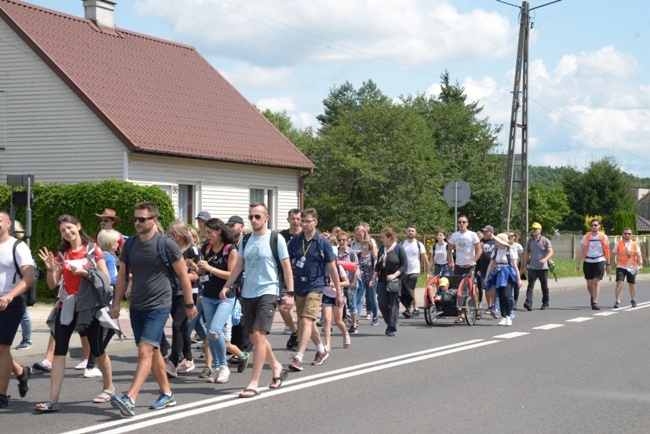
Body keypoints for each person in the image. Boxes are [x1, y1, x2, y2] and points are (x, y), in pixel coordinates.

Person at [110, 202, 197, 417]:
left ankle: (130, 398)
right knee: (154, 350)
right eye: (135, 219)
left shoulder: (166, 245)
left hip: (159, 305)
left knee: (144, 351)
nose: (137, 222)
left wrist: (189, 304)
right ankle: (167, 394)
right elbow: (122, 276)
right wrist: (115, 304)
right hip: (137, 306)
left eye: (142, 219)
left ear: (154, 221)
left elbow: (184, 277)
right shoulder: (130, 245)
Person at [36, 214, 116, 412]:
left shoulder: (92, 250)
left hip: (89, 307)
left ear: (78, 227)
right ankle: (53, 400)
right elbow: (53, 284)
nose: (67, 232)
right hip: (67, 306)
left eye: (70, 228)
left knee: (97, 350)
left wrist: (85, 272)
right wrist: (49, 268)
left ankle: (109, 387)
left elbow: (106, 279)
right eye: (63, 230)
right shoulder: (62, 255)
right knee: (59, 351)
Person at [221, 202, 294, 398]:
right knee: (255, 337)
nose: (253, 220)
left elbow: (286, 267)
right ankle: (276, 365)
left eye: (257, 216)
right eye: (251, 216)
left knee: (259, 336)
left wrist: (290, 293)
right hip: (248, 293)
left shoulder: (275, 238)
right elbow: (238, 266)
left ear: (266, 218)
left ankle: (254, 382)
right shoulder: (245, 240)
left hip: (268, 291)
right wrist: (228, 285)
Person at [287, 208, 342, 371]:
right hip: (299, 285)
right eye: (302, 221)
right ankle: (321, 350)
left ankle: (299, 357)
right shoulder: (296, 241)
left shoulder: (322, 242)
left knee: (306, 320)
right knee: (306, 321)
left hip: (316, 285)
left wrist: (339, 292)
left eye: (307, 221)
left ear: (315, 222)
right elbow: (286, 263)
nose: (304, 224)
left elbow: (332, 268)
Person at [194, 218, 240, 384]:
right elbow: (201, 271)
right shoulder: (206, 248)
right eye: (205, 232)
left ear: (219, 231)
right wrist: (195, 268)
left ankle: (223, 366)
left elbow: (232, 274)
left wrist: (210, 268)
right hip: (208, 295)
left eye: (209, 232)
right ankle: (218, 367)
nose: (206, 236)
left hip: (225, 297)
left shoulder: (230, 249)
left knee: (214, 330)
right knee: (210, 334)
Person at [0, 210, 35, 409]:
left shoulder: (17, 246)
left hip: (10, 303)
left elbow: (29, 277)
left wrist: (9, 295)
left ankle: (2, 395)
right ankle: (21, 372)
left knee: (2, 348)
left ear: (8, 224)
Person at [83, 229, 121, 379]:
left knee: (106, 331)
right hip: (106, 298)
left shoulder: (99, 255)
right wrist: (127, 278)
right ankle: (92, 365)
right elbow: (111, 279)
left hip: (98, 298)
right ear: (111, 244)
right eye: (116, 241)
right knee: (105, 331)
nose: (119, 244)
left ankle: (93, 362)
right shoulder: (109, 258)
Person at [164, 221, 200, 378]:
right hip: (172, 291)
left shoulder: (191, 250)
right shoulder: (170, 249)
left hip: (188, 292)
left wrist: (183, 276)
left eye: (171, 234)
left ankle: (173, 360)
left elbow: (197, 274)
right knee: (183, 326)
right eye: (168, 233)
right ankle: (189, 358)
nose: (169, 236)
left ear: (179, 235)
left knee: (177, 325)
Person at [371, 227, 407, 337]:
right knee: (381, 303)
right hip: (382, 280)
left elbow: (404, 265)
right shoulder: (382, 249)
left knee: (393, 304)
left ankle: (391, 328)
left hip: (395, 281)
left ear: (390, 238)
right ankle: (390, 322)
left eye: (383, 237)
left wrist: (394, 275)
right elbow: (378, 265)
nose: (381, 239)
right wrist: (373, 278)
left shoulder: (398, 248)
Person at [484, 233, 523, 326]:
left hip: (508, 273)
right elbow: (491, 264)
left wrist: (519, 279)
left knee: (506, 295)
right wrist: (487, 276)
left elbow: (514, 266)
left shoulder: (510, 250)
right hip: (498, 273)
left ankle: (509, 315)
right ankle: (504, 317)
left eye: (497, 240)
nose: (495, 241)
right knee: (500, 295)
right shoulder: (496, 250)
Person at [447, 216, 482, 317]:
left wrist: (473, 261)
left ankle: (476, 307)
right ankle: (462, 312)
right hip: (458, 265)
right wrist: (451, 262)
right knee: (459, 289)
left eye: (463, 222)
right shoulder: (454, 235)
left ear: (467, 223)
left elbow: (479, 250)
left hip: (469, 266)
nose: (461, 224)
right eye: (459, 222)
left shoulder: (472, 235)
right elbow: (449, 250)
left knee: (471, 288)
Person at [575, 218, 610, 310]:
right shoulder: (587, 236)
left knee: (596, 282)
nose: (594, 227)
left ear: (599, 226)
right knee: (589, 284)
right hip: (588, 261)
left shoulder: (603, 236)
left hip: (599, 260)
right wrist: (578, 263)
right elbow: (581, 250)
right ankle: (592, 296)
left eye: (595, 225)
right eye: (592, 225)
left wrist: (608, 264)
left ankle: (594, 302)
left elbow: (607, 251)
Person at [279, 209, 301, 346]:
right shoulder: (281, 236)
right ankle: (294, 332)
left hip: (301, 277)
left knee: (300, 311)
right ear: (288, 220)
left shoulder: (304, 236)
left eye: (298, 219)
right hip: (285, 276)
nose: (296, 221)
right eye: (293, 218)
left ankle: (298, 341)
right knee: (282, 307)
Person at [521, 223, 554, 311]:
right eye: (533, 229)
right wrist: (524, 267)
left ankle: (545, 303)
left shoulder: (545, 240)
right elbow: (526, 254)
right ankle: (529, 303)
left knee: (544, 286)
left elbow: (551, 252)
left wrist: (545, 259)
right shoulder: (530, 241)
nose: (534, 230)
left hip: (543, 268)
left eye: (536, 229)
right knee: (530, 286)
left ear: (540, 230)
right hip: (532, 267)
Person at [11, 220, 33, 350]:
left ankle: (27, 338)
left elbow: (27, 271)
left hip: (19, 285)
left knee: (23, 313)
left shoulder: (19, 246)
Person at [321, 261, 351, 351]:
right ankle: (327, 344)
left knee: (338, 321)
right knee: (327, 319)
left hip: (337, 295)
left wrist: (335, 284)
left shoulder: (339, 268)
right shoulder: (322, 268)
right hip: (326, 295)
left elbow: (347, 282)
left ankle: (345, 334)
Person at [400, 225, 429, 318]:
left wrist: (428, 272)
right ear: (406, 232)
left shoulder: (419, 244)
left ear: (415, 232)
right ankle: (414, 309)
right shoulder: (401, 244)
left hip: (415, 270)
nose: (410, 232)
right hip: (404, 271)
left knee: (410, 289)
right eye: (409, 231)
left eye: (412, 231)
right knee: (406, 291)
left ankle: (410, 308)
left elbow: (425, 258)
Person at [611, 228, 642, 308]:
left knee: (632, 284)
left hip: (632, 267)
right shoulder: (618, 243)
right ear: (623, 234)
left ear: (631, 235)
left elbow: (639, 255)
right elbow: (613, 254)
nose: (627, 235)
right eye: (625, 233)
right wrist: (608, 265)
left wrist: (640, 264)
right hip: (621, 266)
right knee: (619, 282)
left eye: (629, 234)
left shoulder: (635, 244)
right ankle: (617, 301)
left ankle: (633, 299)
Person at [336, 231, 360, 332]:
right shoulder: (335, 252)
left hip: (350, 281)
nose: (342, 242)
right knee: (338, 303)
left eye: (344, 240)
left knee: (352, 304)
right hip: (338, 282)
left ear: (348, 240)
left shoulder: (351, 253)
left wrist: (354, 282)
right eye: (339, 240)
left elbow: (357, 268)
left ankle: (354, 324)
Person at [476, 225, 496, 318]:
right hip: (484, 268)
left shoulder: (496, 241)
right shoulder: (481, 242)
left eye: (486, 232)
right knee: (486, 288)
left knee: (494, 287)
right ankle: (489, 305)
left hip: (494, 268)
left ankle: (494, 305)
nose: (484, 233)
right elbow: (478, 255)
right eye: (483, 232)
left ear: (491, 232)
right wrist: (478, 268)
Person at [357, 240, 378, 325]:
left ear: (369, 246)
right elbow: (356, 267)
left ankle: (375, 317)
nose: (363, 246)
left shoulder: (372, 256)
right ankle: (356, 319)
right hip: (361, 280)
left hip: (371, 280)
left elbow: (375, 268)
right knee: (360, 299)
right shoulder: (358, 255)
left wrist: (373, 279)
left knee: (372, 299)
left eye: (365, 244)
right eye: (362, 244)